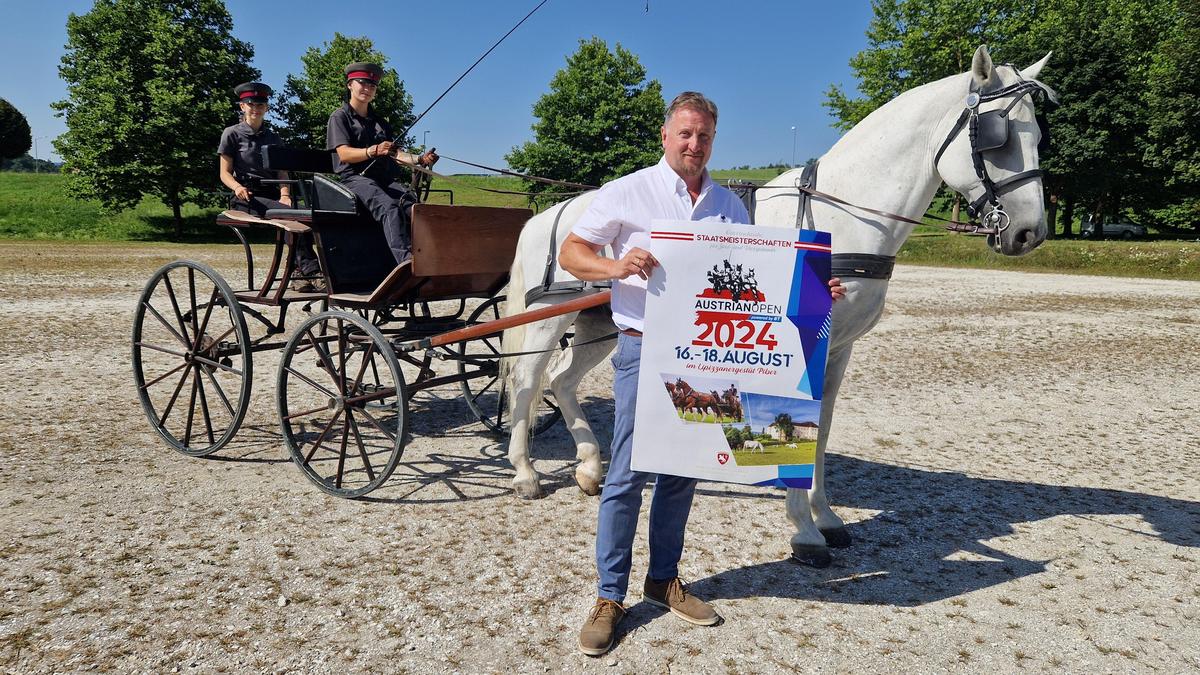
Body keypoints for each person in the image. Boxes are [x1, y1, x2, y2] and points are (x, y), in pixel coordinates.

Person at [558, 91, 846, 657]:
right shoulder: (628, 191)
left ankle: (663, 579)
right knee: (626, 477)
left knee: (683, 472)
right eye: (685, 134)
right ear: (666, 136)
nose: (695, 144)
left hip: (707, 355)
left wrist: (814, 292)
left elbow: (754, 281)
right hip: (645, 350)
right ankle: (609, 596)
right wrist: (614, 265)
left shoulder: (729, 206)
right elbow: (573, 250)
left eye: (705, 136)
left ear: (714, 141)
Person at [326, 62, 439, 265]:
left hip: (383, 179)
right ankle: (406, 263)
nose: (368, 89)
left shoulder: (380, 122)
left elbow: (395, 154)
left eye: (373, 86)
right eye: (363, 83)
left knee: (415, 208)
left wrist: (420, 159)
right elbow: (343, 154)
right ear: (350, 85)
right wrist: (372, 151)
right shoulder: (340, 117)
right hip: (354, 179)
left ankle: (430, 258)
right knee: (389, 207)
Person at [218, 82, 321, 289]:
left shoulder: (273, 138)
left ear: (266, 108)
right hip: (246, 197)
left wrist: (285, 194)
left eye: (260, 105)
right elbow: (224, 173)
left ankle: (297, 270)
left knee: (308, 215)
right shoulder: (232, 134)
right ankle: (310, 271)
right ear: (242, 107)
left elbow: (282, 171)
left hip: (273, 195)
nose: (255, 108)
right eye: (250, 104)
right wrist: (237, 187)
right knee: (290, 216)